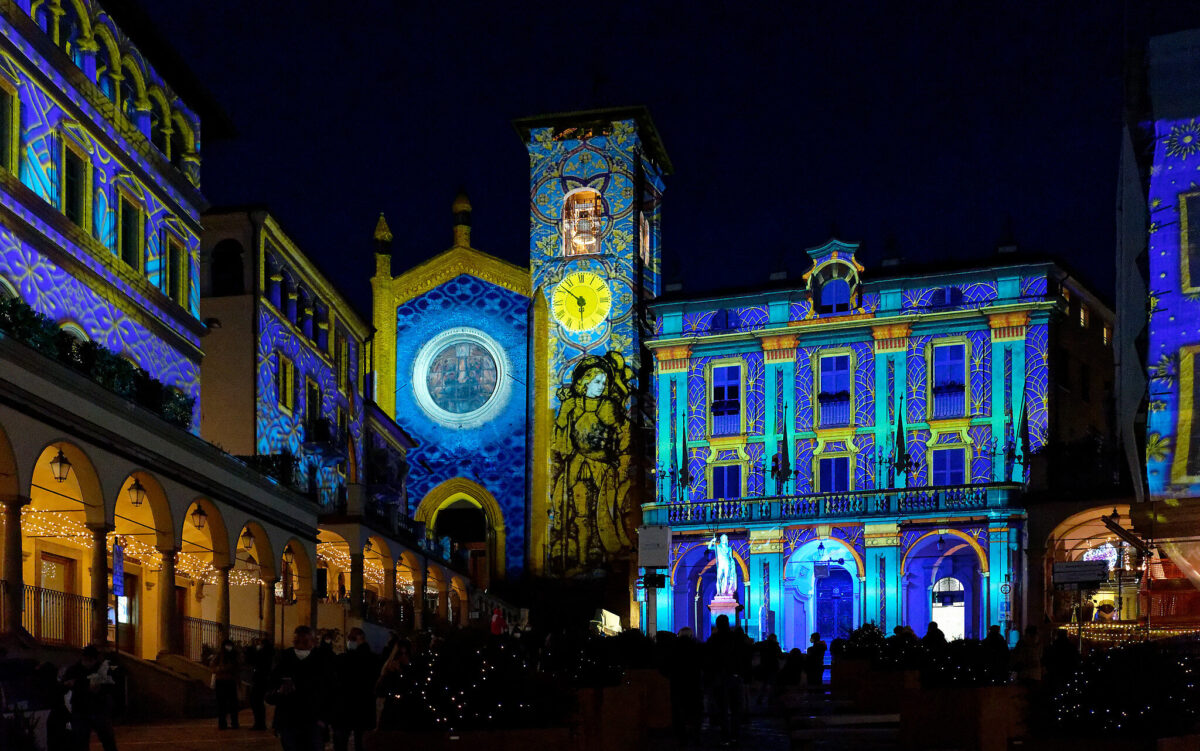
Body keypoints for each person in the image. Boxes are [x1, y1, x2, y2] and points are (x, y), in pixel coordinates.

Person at [267, 625, 334, 751]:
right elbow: (270, 689)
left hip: (313, 720)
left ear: (313, 642)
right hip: (289, 720)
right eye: (297, 641)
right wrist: (279, 691)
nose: (300, 645)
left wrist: (324, 719)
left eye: (305, 642)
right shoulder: (284, 658)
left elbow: (330, 691)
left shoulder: (322, 660)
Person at [60, 645, 118, 751]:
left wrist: (78, 684)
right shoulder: (75, 670)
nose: (88, 663)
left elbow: (108, 687)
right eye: (86, 660)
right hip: (82, 709)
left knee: (107, 739)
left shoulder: (101, 670)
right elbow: (64, 685)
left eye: (90, 660)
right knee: (82, 741)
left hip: (97, 708)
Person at [333, 628, 379, 751]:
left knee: (343, 741)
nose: (349, 641)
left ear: (360, 639)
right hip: (363, 708)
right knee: (361, 743)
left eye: (352, 638)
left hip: (346, 707)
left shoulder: (345, 659)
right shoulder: (373, 659)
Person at [705, 615, 746, 745]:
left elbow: (709, 659)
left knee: (722, 708)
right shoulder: (735, 638)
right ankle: (735, 735)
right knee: (736, 708)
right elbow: (741, 656)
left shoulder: (713, 639)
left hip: (719, 676)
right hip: (734, 675)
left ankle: (725, 735)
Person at [210, 638, 242, 730]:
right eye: (227, 645)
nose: (229, 647)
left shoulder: (235, 656)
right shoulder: (219, 655)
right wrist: (222, 668)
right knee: (222, 703)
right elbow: (212, 666)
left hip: (230, 681)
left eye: (230, 645)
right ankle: (223, 723)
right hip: (221, 681)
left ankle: (234, 723)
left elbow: (238, 666)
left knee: (232, 704)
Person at [245, 637, 275, 731]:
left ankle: (259, 723)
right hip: (262, 679)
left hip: (261, 680)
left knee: (256, 701)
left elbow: (254, 660)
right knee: (257, 702)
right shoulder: (267, 653)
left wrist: (251, 649)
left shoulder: (264, 653)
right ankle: (259, 723)